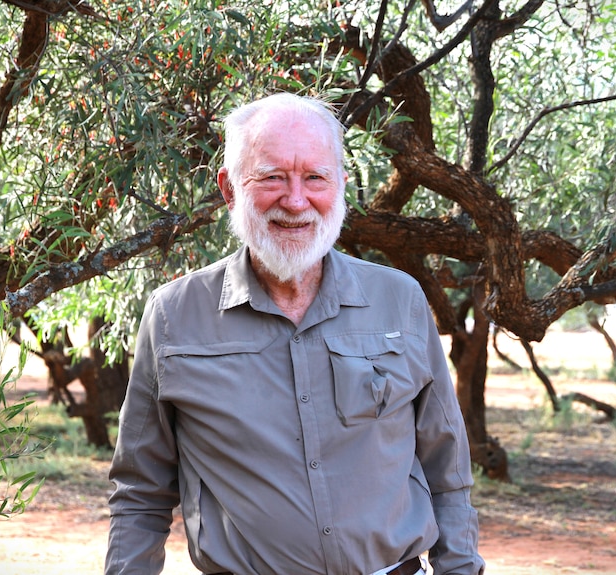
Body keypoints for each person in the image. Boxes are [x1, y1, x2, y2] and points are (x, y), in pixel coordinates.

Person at [106, 92, 485, 575]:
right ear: (229, 188)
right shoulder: (173, 316)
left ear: (341, 185)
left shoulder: (401, 300)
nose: (296, 200)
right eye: (271, 177)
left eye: (315, 177)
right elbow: (140, 494)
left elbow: (447, 472)